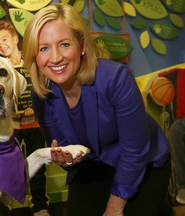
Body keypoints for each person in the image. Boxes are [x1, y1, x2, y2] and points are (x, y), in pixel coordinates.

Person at [22, 3, 172, 216]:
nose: (55, 58)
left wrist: (114, 208)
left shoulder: (116, 78)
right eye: (43, 48)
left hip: (142, 162)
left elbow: (135, 151)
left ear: (81, 44)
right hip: (94, 164)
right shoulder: (41, 96)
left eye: (64, 44)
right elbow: (67, 149)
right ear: (34, 56)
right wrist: (66, 159)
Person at [0, 20, 50, 216]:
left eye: (5, 39)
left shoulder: (34, 61)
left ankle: (40, 205)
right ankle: (2, 206)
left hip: (34, 124)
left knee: (38, 167)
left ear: (15, 38)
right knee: (6, 166)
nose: (2, 45)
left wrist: (36, 106)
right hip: (9, 126)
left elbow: (46, 88)